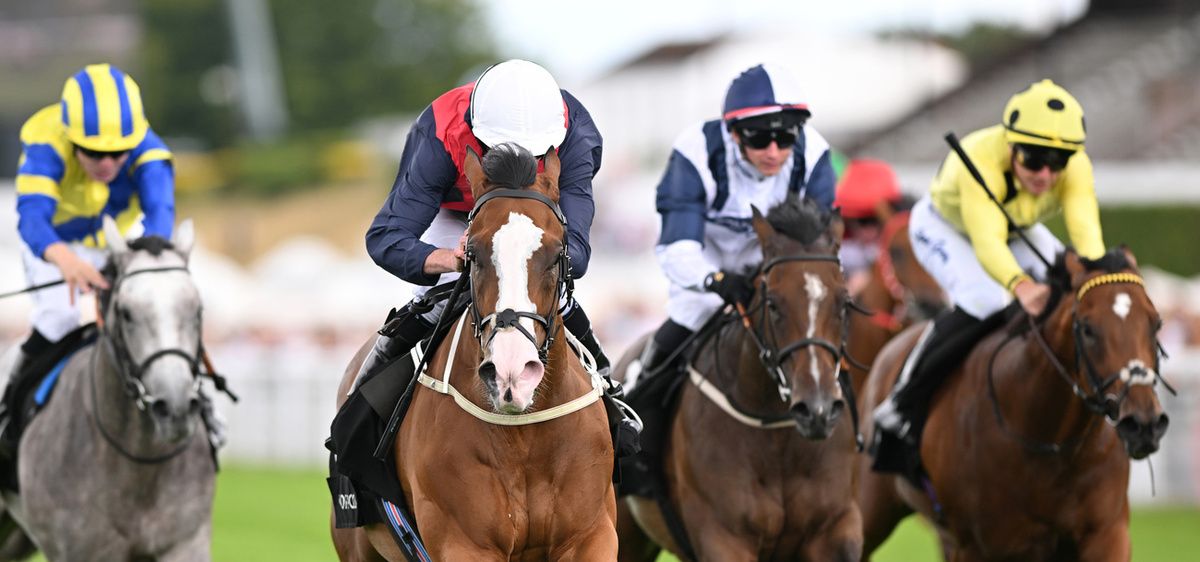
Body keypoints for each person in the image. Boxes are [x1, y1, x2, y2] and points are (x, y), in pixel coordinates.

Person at [873, 79, 1104, 447]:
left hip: (1015, 227)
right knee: (985, 299)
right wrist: (1020, 285)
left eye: (1057, 162)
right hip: (945, 227)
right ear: (1011, 146)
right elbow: (988, 242)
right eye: (1033, 159)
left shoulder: (1077, 167)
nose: (1045, 175)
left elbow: (1087, 239)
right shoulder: (981, 160)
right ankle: (903, 397)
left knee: (1076, 285)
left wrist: (1098, 278)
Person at [359, 59, 611, 385]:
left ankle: (608, 386)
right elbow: (386, 237)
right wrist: (450, 258)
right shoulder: (440, 130)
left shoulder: (576, 133)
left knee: (558, 293)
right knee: (434, 298)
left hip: (532, 222)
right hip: (456, 217)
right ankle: (363, 399)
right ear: (477, 132)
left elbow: (577, 253)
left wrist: (532, 256)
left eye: (533, 155)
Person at [0, 64, 176, 452]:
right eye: (94, 152)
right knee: (58, 318)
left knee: (160, 311)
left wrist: (146, 269)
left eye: (118, 152)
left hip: (119, 240)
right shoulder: (46, 142)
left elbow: (160, 222)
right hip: (54, 243)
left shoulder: (150, 152)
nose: (107, 164)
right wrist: (66, 260)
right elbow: (32, 219)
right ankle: (9, 412)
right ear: (71, 138)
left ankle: (201, 411)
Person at [634, 63, 837, 383]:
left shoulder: (814, 155)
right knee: (695, 309)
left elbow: (816, 248)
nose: (773, 152)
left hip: (771, 263)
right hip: (706, 261)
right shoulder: (696, 152)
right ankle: (641, 387)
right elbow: (677, 248)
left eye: (785, 138)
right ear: (734, 132)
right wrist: (715, 280)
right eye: (759, 139)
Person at [833, 158, 904, 297]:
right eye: (863, 221)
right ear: (849, 222)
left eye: (875, 221)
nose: (870, 230)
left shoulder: (895, 248)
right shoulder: (843, 251)